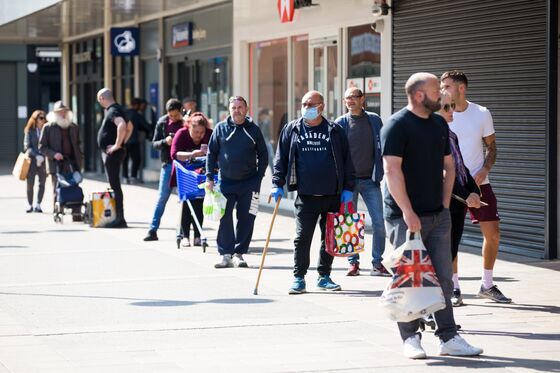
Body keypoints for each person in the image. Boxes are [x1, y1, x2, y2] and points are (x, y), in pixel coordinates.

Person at [381, 72, 482, 359]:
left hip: (439, 215)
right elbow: (392, 171)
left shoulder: (438, 124)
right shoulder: (397, 125)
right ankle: (410, 338)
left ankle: (448, 337)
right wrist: (407, 211)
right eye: (435, 89)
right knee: (409, 278)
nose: (441, 93)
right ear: (418, 96)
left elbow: (449, 166)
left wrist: (444, 202)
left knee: (444, 278)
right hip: (404, 218)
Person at [271, 90, 355, 294]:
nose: (306, 108)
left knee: (329, 238)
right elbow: (280, 158)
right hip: (306, 195)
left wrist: (348, 188)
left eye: (311, 104)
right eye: (304, 104)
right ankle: (299, 277)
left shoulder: (334, 130)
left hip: (332, 194)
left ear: (321, 106)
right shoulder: (292, 129)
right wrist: (277, 183)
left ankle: (324, 276)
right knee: (302, 238)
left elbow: (347, 160)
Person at [441, 70, 511, 304]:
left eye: (447, 86)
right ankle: (454, 288)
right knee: (452, 238)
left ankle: (487, 284)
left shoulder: (481, 113)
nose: (443, 90)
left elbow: (492, 147)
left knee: (493, 234)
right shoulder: (443, 114)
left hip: (480, 184)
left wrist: (485, 170)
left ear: (461, 88)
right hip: (452, 186)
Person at [206, 96, 268, 268]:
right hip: (225, 183)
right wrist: (209, 177)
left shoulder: (253, 130)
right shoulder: (220, 129)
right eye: (234, 107)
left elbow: (263, 155)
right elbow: (211, 154)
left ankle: (239, 254)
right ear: (229, 109)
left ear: (246, 110)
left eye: (240, 107)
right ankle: (225, 254)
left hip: (249, 183)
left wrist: (259, 177)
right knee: (224, 218)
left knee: (247, 218)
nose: (237, 110)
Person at [335, 87, 387, 277]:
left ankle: (377, 263)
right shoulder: (340, 123)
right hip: (348, 184)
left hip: (370, 181)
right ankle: (353, 263)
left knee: (379, 223)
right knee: (350, 223)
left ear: (362, 99)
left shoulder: (374, 120)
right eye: (347, 98)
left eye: (353, 97)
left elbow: (383, 145)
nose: (350, 101)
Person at [438, 92, 482, 307]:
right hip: (445, 204)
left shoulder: (451, 135)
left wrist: (475, 190)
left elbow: (461, 168)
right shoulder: (433, 138)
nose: (452, 111)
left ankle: (442, 306)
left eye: (452, 106)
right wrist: (467, 195)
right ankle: (437, 307)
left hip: (458, 205)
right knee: (441, 257)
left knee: (451, 251)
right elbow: (444, 174)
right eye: (447, 107)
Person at [144, 99, 185, 241]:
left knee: (183, 199)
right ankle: (152, 230)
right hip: (167, 164)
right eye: (170, 116)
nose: (173, 118)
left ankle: (182, 231)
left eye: (176, 115)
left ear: (181, 111)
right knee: (162, 197)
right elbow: (154, 143)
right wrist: (165, 141)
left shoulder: (186, 122)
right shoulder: (162, 122)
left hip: (183, 165)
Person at [170, 112, 213, 246]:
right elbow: (174, 154)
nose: (199, 135)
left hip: (201, 175)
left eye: (201, 132)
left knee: (199, 203)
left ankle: (198, 236)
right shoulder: (181, 134)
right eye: (196, 132)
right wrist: (192, 154)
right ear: (189, 127)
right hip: (185, 174)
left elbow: (217, 151)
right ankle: (185, 236)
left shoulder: (210, 134)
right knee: (186, 202)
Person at [39, 101, 83, 216]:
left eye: (65, 112)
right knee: (57, 188)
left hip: (72, 162)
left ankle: (76, 212)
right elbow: (42, 147)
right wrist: (54, 154)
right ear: (55, 114)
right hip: (56, 163)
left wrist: (80, 158)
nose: (63, 114)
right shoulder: (48, 127)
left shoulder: (73, 127)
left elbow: (78, 144)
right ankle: (58, 211)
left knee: (74, 185)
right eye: (60, 112)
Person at [97, 88, 132, 228]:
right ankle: (118, 217)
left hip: (113, 154)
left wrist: (117, 145)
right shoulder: (119, 109)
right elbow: (130, 127)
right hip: (115, 152)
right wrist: (123, 142)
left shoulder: (112, 111)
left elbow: (123, 125)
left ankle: (119, 218)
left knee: (115, 185)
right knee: (115, 185)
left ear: (102, 99)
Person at [23, 110, 47, 213]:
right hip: (32, 160)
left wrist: (42, 156)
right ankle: (29, 204)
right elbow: (27, 147)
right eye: (40, 118)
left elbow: (48, 145)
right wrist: (37, 156)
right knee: (30, 183)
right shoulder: (29, 131)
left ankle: (38, 204)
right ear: (35, 119)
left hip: (43, 160)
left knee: (42, 183)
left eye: (43, 118)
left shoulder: (46, 130)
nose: (43, 120)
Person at [123, 98, 151, 184]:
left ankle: (125, 177)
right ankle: (133, 177)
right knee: (136, 159)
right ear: (137, 105)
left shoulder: (124, 113)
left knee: (125, 159)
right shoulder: (136, 114)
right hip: (133, 140)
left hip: (123, 140)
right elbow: (145, 126)